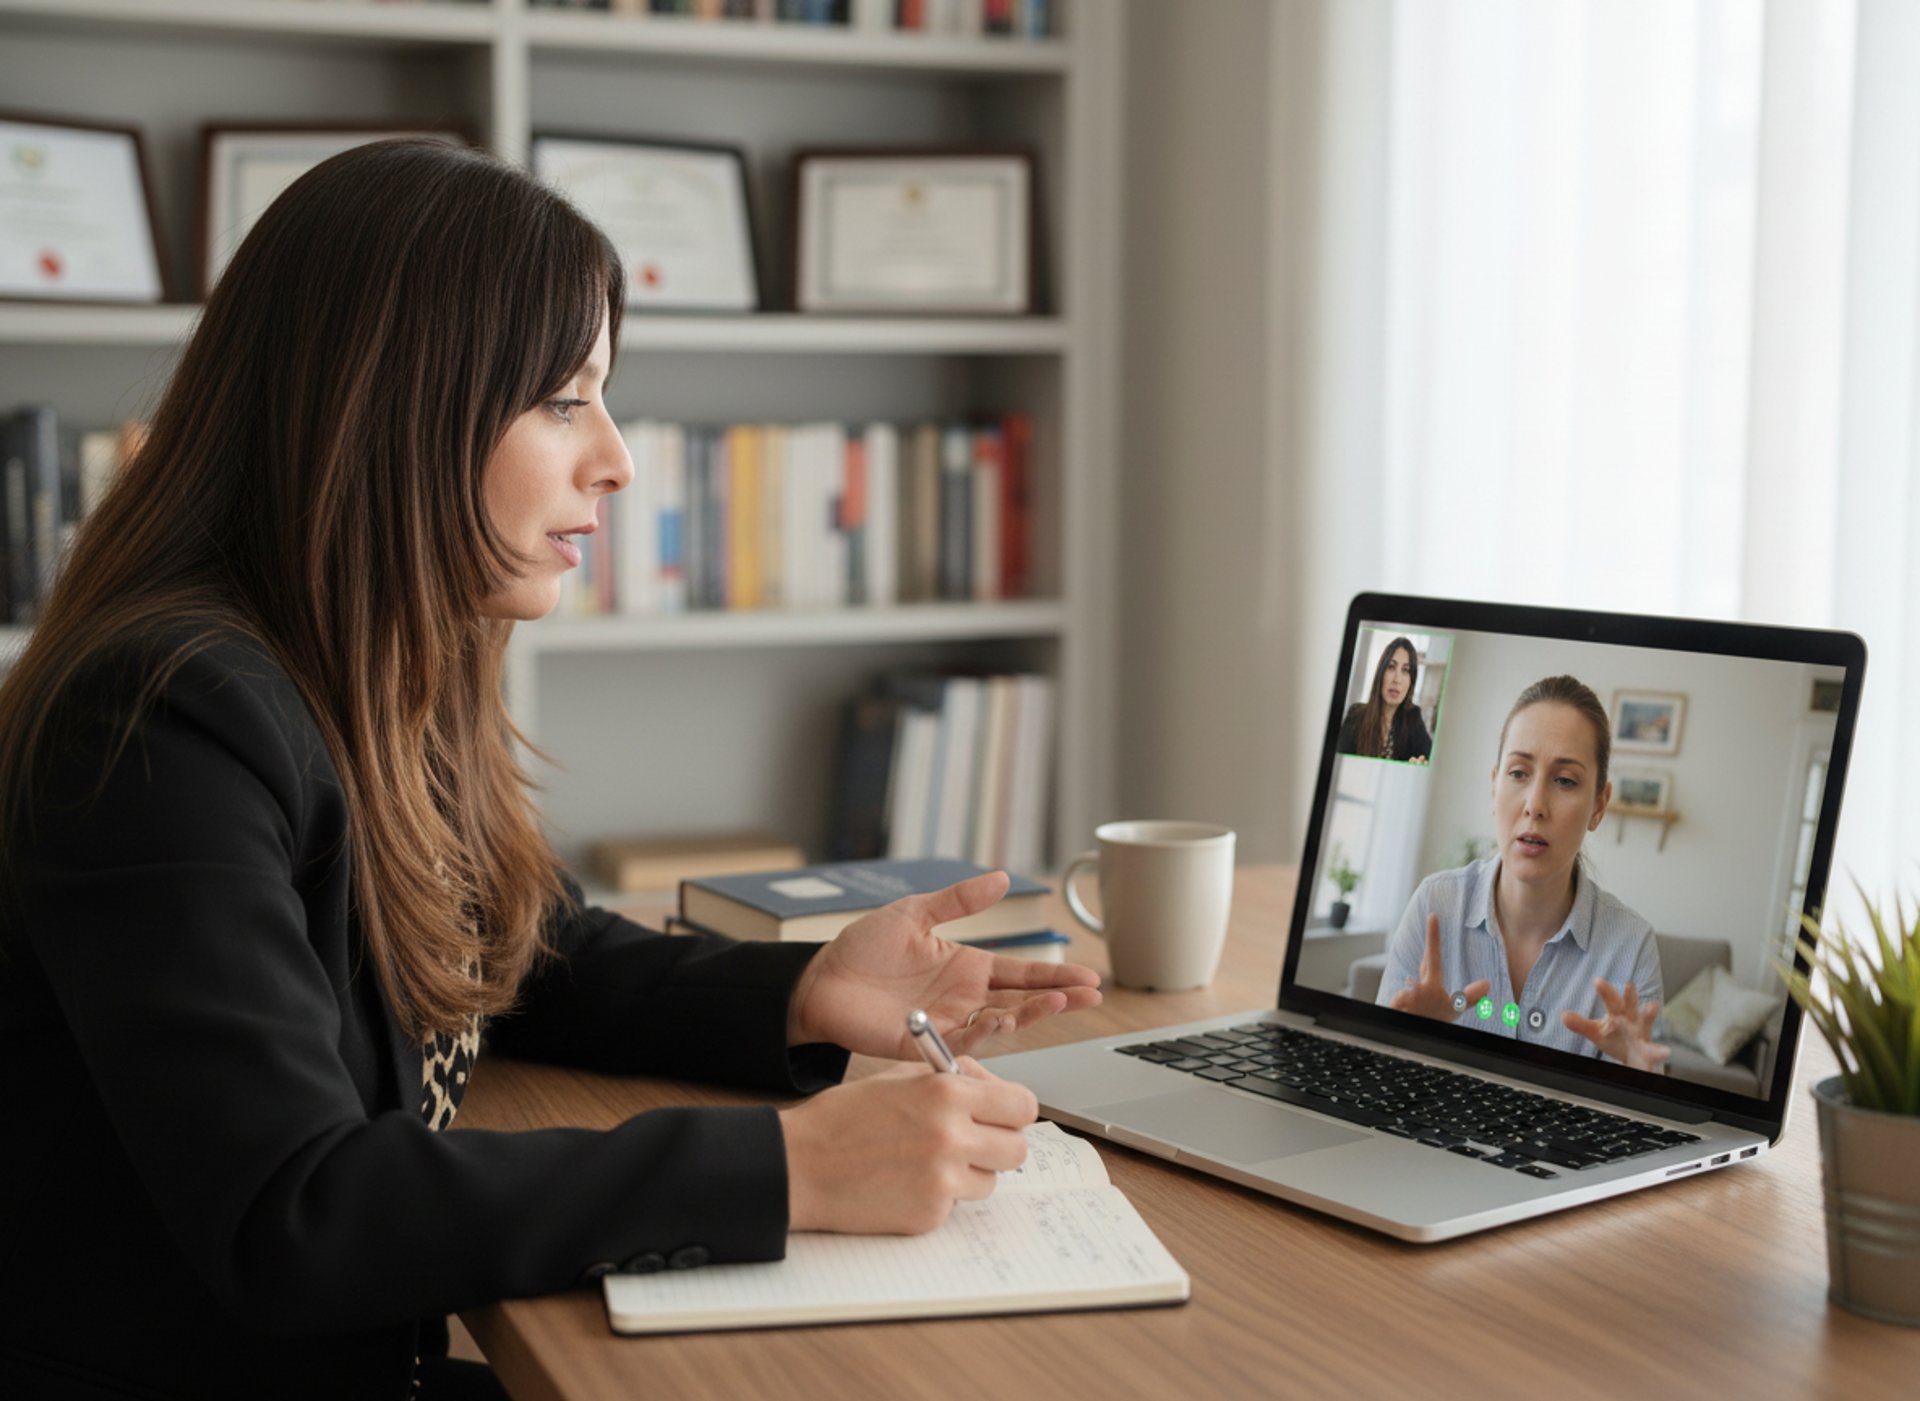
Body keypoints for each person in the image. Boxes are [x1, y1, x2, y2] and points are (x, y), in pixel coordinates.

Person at [0, 140, 1101, 1401]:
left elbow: (512, 946)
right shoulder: (162, 721)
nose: (618, 459)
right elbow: (292, 1211)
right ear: (396, 410)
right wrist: (790, 1169)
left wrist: (800, 995)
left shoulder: (369, 653)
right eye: (565, 400)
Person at [1374, 675, 1667, 1072]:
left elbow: (1647, 1120)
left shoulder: (1631, 947)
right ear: (1495, 787)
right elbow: (1378, 1082)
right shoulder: (1434, 904)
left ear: (1599, 805)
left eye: (1565, 780)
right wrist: (1402, 1042)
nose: (1535, 805)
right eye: (1518, 773)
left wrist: (1644, 1082)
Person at [1336, 635, 1433, 763]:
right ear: (1381, 673)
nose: (1397, 679)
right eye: (1391, 667)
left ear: (1411, 681)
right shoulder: (1355, 715)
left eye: (1405, 670)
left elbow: (1429, 759)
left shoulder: (1413, 718)